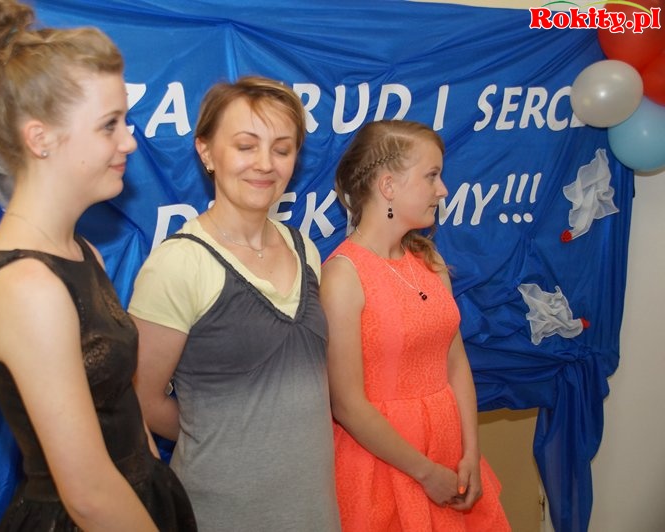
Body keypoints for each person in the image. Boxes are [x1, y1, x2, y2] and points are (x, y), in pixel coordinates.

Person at [0, 1, 196, 530]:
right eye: (109, 125)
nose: (129, 140)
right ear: (40, 138)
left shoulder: (81, 252)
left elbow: (118, 403)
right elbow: (88, 494)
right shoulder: (27, 286)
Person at [129, 76, 341, 531]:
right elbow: (140, 399)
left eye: (282, 149)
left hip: (313, 512)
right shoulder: (177, 264)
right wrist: (219, 431)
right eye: (246, 146)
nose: (265, 164)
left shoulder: (305, 249)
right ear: (206, 152)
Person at [320, 120, 510, 531]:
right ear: (388, 186)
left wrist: (471, 451)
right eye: (431, 176)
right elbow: (347, 404)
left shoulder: (430, 262)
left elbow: (456, 364)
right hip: (383, 466)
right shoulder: (343, 276)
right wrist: (425, 472)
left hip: (448, 454)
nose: (443, 190)